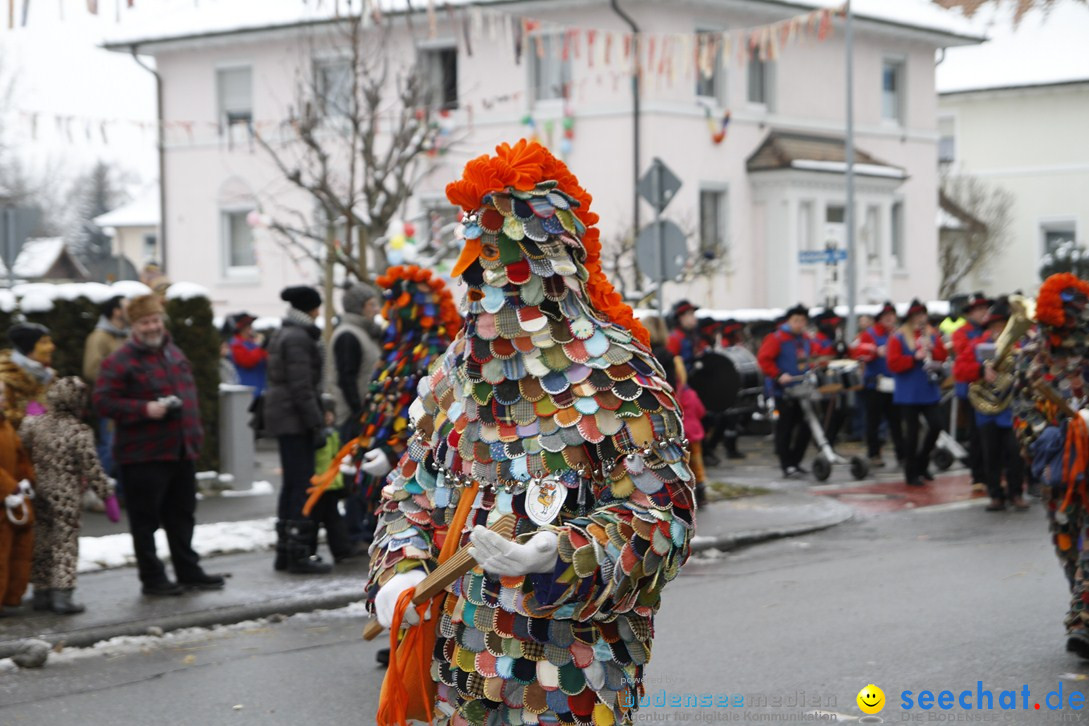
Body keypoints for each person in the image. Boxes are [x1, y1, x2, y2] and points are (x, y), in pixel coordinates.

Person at [368, 140, 693, 724]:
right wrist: (400, 573)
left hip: (571, 669)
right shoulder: (453, 375)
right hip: (458, 668)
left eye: (501, 264)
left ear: (554, 263)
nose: (484, 283)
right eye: (478, 267)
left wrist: (556, 554)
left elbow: (660, 515)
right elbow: (410, 493)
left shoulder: (622, 372)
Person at [93, 294, 225, 597]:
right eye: (144, 322)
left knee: (182, 516)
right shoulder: (119, 360)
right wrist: (144, 410)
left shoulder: (173, 352)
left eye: (155, 320)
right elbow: (102, 402)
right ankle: (152, 578)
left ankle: (187, 570)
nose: (152, 327)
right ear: (134, 326)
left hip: (180, 450)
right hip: (142, 455)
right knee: (145, 521)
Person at [21, 377, 120, 614]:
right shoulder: (79, 431)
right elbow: (91, 468)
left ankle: (41, 593)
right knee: (65, 544)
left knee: (42, 541)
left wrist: (29, 417)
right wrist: (107, 497)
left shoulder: (36, 425)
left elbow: (21, 444)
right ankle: (62, 596)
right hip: (65, 494)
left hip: (37, 491)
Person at [264, 285, 331, 575]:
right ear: (311, 308)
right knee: (300, 484)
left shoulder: (289, 332)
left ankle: (286, 551)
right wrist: (316, 421)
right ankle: (297, 553)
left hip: (287, 417)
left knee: (293, 483)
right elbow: (302, 387)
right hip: (295, 420)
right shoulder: (298, 338)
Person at [966, 298, 1028, 512]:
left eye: (1002, 325)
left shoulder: (1019, 346)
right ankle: (996, 495)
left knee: (1015, 453)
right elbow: (960, 371)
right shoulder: (980, 345)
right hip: (987, 411)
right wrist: (981, 371)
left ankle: (1016, 492)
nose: (999, 330)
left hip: (1012, 409)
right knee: (990, 454)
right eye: (995, 326)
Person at [886, 299, 949, 487]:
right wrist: (913, 357)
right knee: (912, 434)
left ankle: (922, 462)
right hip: (909, 392)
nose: (921, 319)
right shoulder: (898, 337)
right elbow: (893, 363)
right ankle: (911, 472)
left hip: (929, 389)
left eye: (923, 315)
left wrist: (933, 349)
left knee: (937, 425)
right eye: (917, 315)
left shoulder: (931, 334)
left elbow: (943, 356)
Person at [758, 304, 814, 478]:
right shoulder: (776, 338)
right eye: (796, 320)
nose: (799, 324)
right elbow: (764, 359)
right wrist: (778, 374)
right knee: (785, 429)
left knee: (807, 427)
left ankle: (796, 462)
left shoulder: (805, 339)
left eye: (802, 321)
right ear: (789, 321)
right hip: (784, 392)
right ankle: (787, 465)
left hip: (803, 390)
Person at [83, 296, 129, 492]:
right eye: (126, 307)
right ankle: (96, 490)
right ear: (116, 311)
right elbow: (91, 369)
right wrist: (120, 379)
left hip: (129, 401)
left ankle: (121, 493)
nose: (130, 311)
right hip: (110, 400)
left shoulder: (127, 335)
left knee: (126, 447)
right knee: (110, 447)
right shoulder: (99, 337)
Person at [851, 302, 905, 468]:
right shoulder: (870, 334)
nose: (890, 319)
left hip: (893, 383)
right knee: (873, 421)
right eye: (886, 316)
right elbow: (856, 352)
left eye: (892, 316)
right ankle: (874, 454)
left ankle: (902, 455)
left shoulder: (897, 334)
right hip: (875, 384)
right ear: (880, 319)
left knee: (896, 421)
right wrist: (875, 351)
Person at [329, 282, 382, 440]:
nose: (377, 309)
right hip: (352, 417)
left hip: (361, 413)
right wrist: (358, 412)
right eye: (371, 304)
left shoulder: (362, 332)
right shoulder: (348, 335)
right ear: (359, 307)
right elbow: (346, 378)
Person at [0, 380, 35, 616]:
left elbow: (20, 455)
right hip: (5, 500)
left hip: (13, 502)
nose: (4, 398)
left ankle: (11, 597)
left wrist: (26, 480)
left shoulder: (6, 425)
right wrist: (9, 488)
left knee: (18, 551)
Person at [951, 292, 991, 493]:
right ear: (970, 312)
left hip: (992, 388)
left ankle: (993, 472)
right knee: (976, 434)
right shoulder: (961, 332)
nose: (984, 312)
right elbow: (963, 353)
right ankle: (978, 475)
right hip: (970, 389)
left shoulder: (991, 330)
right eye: (979, 309)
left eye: (985, 309)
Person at [310, 394, 356, 563]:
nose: (328, 417)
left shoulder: (334, 434)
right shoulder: (317, 435)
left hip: (332, 484)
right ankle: (311, 551)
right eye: (325, 413)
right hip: (318, 485)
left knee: (334, 519)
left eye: (331, 413)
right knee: (314, 520)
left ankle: (342, 550)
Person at [0, 323, 55, 430]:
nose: (52, 347)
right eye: (44, 342)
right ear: (28, 348)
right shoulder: (6, 377)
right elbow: (3, 416)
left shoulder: (49, 376)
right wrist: (28, 417)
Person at [228, 313, 268, 398]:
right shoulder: (236, 344)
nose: (251, 330)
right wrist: (259, 348)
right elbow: (247, 361)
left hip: (261, 387)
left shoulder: (251, 342)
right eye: (248, 327)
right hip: (247, 389)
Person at [666, 299, 703, 369]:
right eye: (690, 314)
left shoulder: (693, 335)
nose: (694, 317)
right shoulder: (674, 338)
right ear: (681, 317)